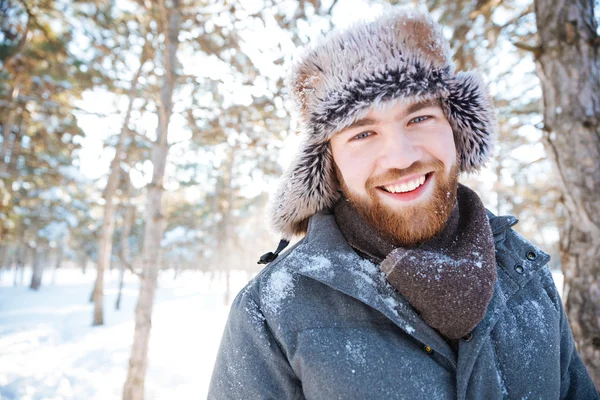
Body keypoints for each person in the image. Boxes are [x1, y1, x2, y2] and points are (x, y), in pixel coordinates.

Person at [208, 6, 599, 399]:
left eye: (419, 118)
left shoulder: (527, 276)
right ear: (330, 163)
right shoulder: (272, 311)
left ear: (457, 129)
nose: (400, 157)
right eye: (362, 134)